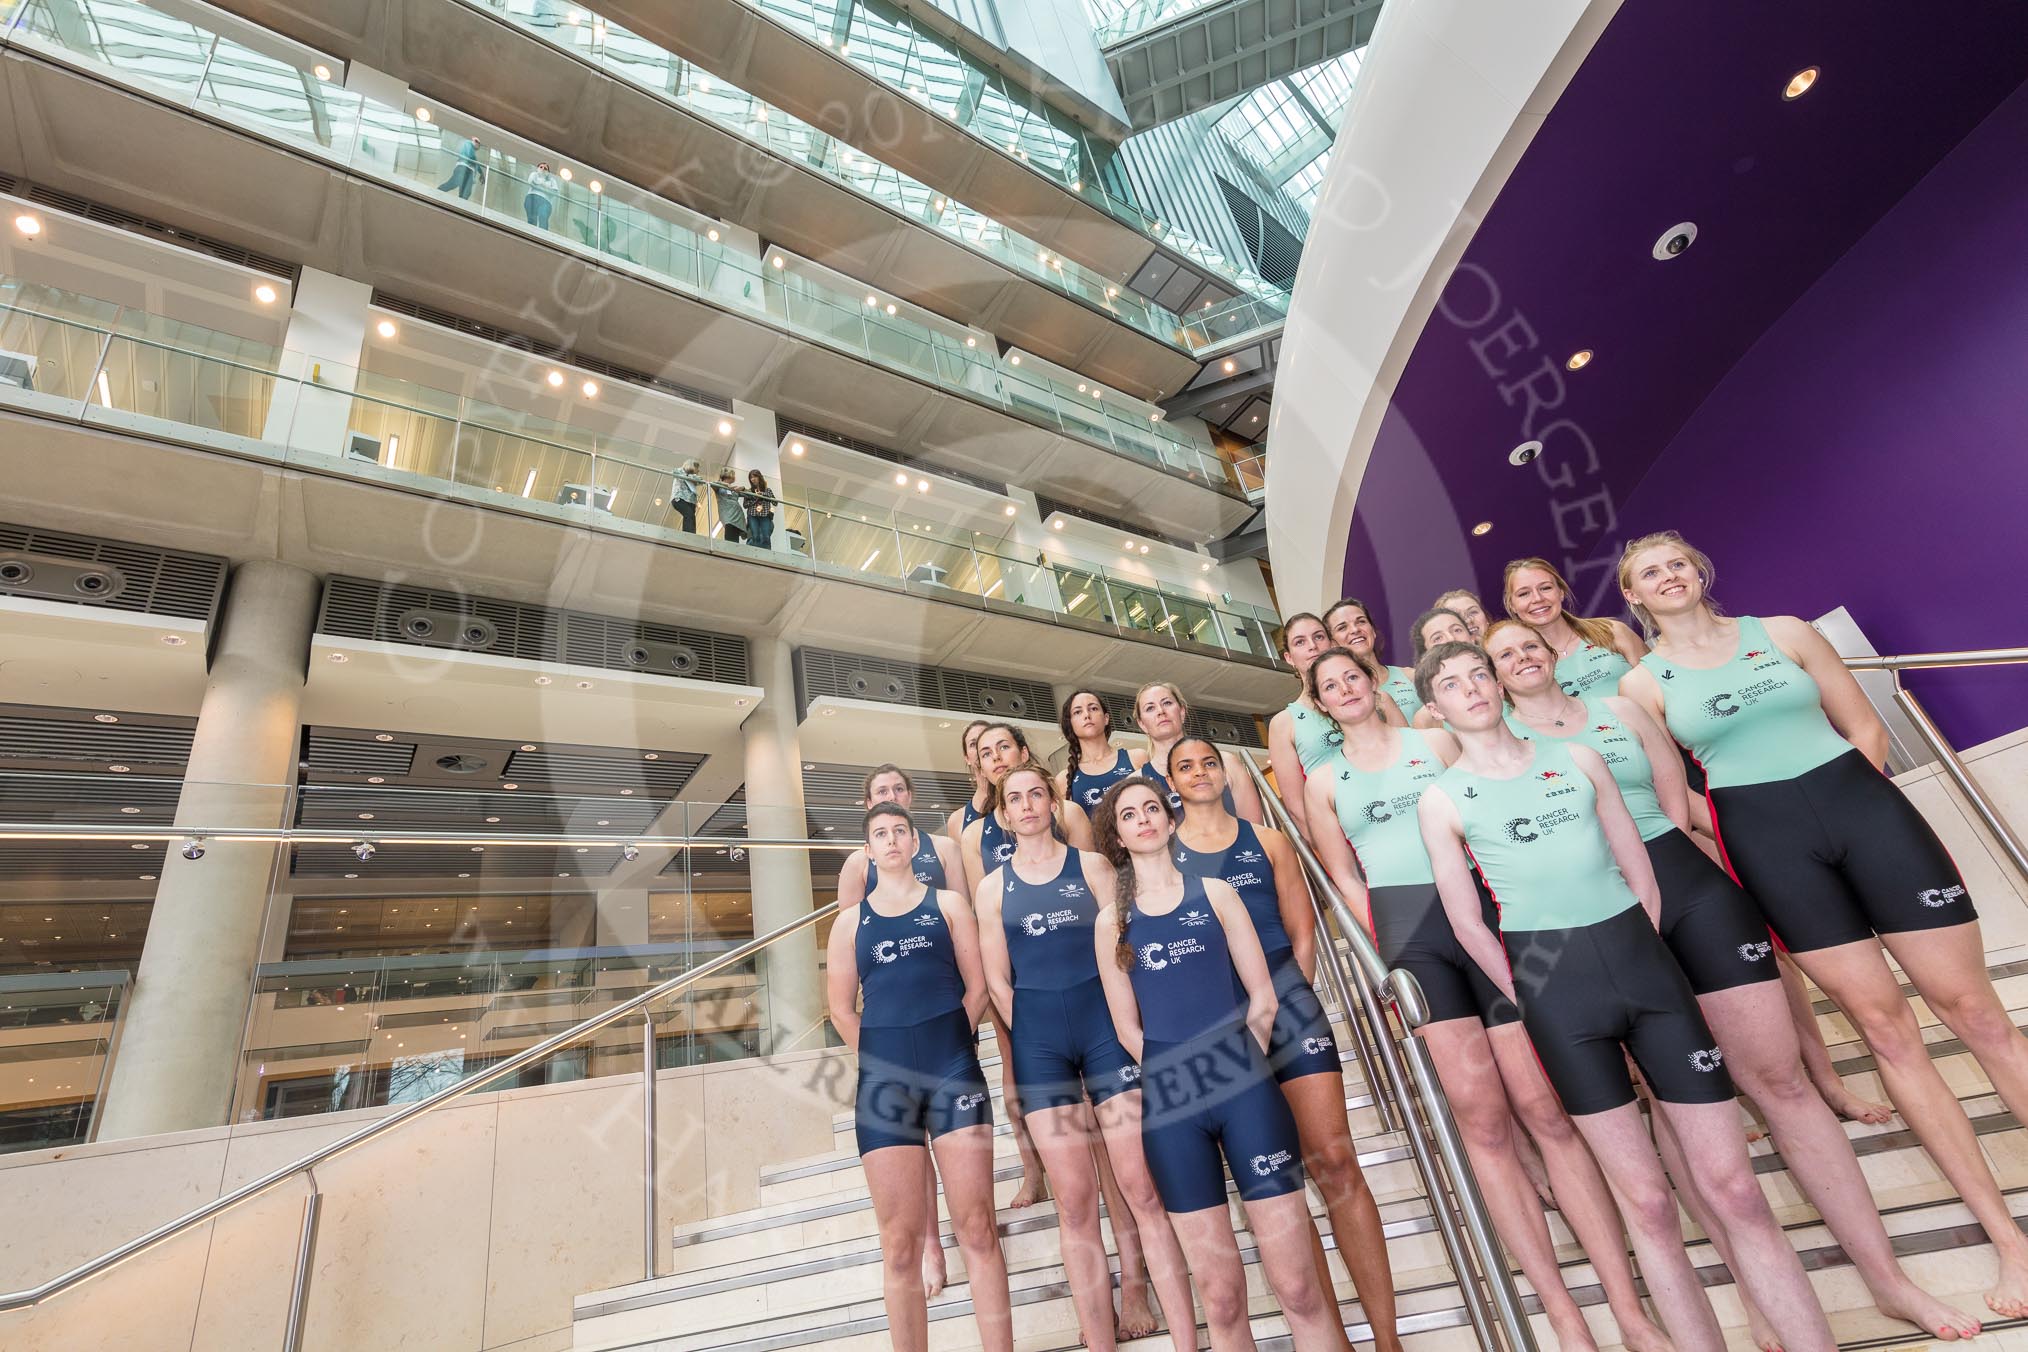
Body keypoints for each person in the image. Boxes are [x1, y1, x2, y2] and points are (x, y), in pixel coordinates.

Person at [1487, 617, 1978, 1344]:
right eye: (1503, 654)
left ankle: (1888, 1279)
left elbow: (1679, 801)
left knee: (1781, 1082)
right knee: (1671, 1105)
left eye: (1530, 642)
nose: (1523, 656)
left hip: (1688, 890)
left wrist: (1752, 867)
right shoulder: (1497, 750)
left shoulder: (1622, 705)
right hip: (1603, 923)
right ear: (1491, 677)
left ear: (1553, 651)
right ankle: (1757, 1288)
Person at [1620, 530, 2028, 1318]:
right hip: (1773, 849)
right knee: (1886, 1033)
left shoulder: (1784, 633)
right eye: (1648, 574)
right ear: (1632, 598)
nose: (1668, 577)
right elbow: (1669, 797)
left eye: (1677, 563)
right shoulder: (1643, 686)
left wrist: (1855, 803)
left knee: (1976, 1013)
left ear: (1699, 572)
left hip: (1864, 814)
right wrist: (1748, 827)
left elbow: (1863, 724)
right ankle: (2009, 1239)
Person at [1415, 641, 1835, 1352]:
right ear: (1437, 707)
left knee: (1733, 1188)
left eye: (1479, 674)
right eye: (1452, 684)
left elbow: (1638, 865)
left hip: (1645, 970)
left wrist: (1635, 941)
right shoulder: (1442, 798)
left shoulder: (1578, 759)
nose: (1473, 690)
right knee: (1647, 1204)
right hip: (1559, 1002)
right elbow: (1463, 919)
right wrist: (1529, 988)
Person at [1302, 646, 1668, 1352]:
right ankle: (1562, 1314)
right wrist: (1385, 963)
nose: (1345, 688)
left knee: (1544, 1110)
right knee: (1484, 1124)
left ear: (1375, 682)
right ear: (1318, 704)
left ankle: (1627, 1308)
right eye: (1330, 685)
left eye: (1354, 675)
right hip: (1412, 939)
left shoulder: (1434, 741)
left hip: (1483, 914)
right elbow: (1346, 881)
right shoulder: (1324, 782)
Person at [1090, 779, 1350, 1351]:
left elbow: (1263, 998)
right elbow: (1128, 1028)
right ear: (1118, 835)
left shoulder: (1217, 893)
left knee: (1300, 1288)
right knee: (1223, 1301)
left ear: (1169, 819)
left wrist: (1236, 1063)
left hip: (1247, 1093)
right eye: (1129, 814)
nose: (1144, 820)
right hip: (1173, 1104)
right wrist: (1181, 1072)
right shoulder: (1112, 922)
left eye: (1152, 808)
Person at [1169, 738, 1404, 1352]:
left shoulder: (1266, 840)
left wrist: (1281, 1005)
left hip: (1288, 1007)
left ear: (1224, 773)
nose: (1199, 773)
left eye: (1208, 763)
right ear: (1171, 782)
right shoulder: (1166, 856)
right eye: (1185, 766)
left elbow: (1303, 934)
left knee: (1334, 1160)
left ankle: (1388, 1340)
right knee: (1281, 1187)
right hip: (1221, 1027)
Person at [974, 764, 1195, 1350]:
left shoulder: (1093, 865)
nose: (1025, 806)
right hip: (1041, 1044)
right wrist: (1037, 1041)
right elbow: (998, 981)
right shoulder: (992, 887)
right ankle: (1099, 1340)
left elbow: (1123, 947)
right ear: (1002, 812)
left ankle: (1185, 1337)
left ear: (1053, 803)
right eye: (1013, 799)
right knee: (1073, 1200)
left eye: (1035, 795)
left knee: (1141, 1189)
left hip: (1104, 1036)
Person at [825, 804, 1011, 1352]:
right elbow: (840, 1010)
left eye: (899, 832)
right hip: (886, 1086)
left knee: (977, 1227)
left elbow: (977, 989)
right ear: (868, 851)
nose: (890, 841)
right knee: (900, 1246)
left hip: (952, 1069)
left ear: (913, 843)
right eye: (879, 834)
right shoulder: (848, 923)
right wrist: (884, 1062)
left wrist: (951, 1039)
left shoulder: (949, 905)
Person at [833, 765, 966, 1298]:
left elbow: (963, 920)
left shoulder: (943, 851)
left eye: (897, 792)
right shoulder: (855, 865)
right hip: (892, 1024)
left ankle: (964, 1229)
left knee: (948, 1130)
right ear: (868, 810)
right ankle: (931, 1242)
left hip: (945, 1013)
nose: (890, 799)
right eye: (880, 795)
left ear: (911, 802)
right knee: (910, 1145)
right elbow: (854, 943)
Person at [961, 721, 1092, 1207]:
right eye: (984, 751)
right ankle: (1034, 1170)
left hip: (1071, 961)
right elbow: (980, 908)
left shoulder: (1066, 810)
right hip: (1015, 966)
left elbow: (1087, 894)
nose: (995, 757)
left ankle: (1096, 1161)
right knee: (1019, 1072)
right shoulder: (971, 830)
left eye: (1004, 747)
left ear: (1022, 750)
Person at [1264, 611, 1369, 842]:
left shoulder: (1366, 698)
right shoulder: (1284, 723)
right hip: (1343, 837)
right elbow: (1298, 810)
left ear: (1331, 644)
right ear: (1289, 657)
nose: (1312, 646)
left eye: (1319, 637)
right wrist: (1334, 858)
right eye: (1300, 642)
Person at [1502, 557, 1646, 697]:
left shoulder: (1611, 631)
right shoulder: (1521, 665)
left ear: (1561, 592)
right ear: (1512, 605)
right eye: (1524, 594)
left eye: (1545, 588)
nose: (1538, 598)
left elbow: (1660, 681)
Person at [1131, 682, 1264, 824]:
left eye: (1167, 703)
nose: (1161, 711)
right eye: (1150, 708)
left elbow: (1255, 831)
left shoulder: (1227, 763)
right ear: (1142, 724)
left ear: (1182, 712)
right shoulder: (1136, 783)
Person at [1318, 596, 1414, 724]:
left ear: (1373, 630)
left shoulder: (1411, 677)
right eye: (1342, 627)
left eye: (1361, 621)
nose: (1355, 630)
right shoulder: (1340, 700)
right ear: (1332, 644)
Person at [1057, 688, 1148, 812]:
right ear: (1070, 724)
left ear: (1106, 718)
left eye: (1093, 708)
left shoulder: (1137, 758)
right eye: (1078, 712)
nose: (1087, 715)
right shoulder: (1064, 780)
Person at [1406, 608, 1475, 730]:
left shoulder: (1508, 678)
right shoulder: (1427, 718)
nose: (1451, 638)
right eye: (1437, 638)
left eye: (1457, 630)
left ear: (1472, 637)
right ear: (1424, 656)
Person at [943, 720, 993, 846]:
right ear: (967, 758)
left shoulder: (1024, 801)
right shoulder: (957, 820)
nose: (980, 747)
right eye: (973, 744)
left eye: (985, 739)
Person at [437, 134, 483, 200]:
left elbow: (475, 163)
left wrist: (481, 173)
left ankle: (461, 203)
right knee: (454, 183)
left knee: (466, 191)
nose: (477, 143)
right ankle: (437, 191)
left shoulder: (473, 153)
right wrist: (480, 170)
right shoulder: (468, 143)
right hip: (463, 167)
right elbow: (471, 157)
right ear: (472, 139)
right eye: (476, 141)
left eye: (479, 143)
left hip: (469, 171)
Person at [711, 468, 747, 544]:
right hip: (727, 513)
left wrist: (743, 488)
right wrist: (726, 485)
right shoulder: (719, 487)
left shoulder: (734, 489)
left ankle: (735, 551)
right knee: (729, 529)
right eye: (731, 476)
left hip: (737, 514)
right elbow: (712, 483)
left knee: (735, 535)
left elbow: (750, 494)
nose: (732, 478)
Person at [744, 469, 777, 549]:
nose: (753, 479)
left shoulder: (767, 490)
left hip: (765, 515)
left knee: (766, 536)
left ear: (759, 477)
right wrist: (756, 499)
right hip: (752, 515)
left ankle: (766, 553)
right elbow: (745, 505)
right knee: (755, 536)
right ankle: (753, 553)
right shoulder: (749, 491)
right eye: (751, 477)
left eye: (755, 476)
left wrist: (763, 495)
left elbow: (775, 502)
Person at [524, 161, 560, 229]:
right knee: (532, 218)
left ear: (548, 172)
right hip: (532, 198)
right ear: (537, 168)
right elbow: (531, 182)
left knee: (543, 217)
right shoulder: (534, 174)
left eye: (545, 168)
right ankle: (531, 233)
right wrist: (546, 188)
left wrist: (538, 184)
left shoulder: (552, 180)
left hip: (545, 201)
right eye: (541, 167)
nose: (543, 169)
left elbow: (554, 192)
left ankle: (543, 235)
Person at [670, 458, 701, 534]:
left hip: (691, 501)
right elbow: (674, 472)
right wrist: (688, 476)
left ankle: (691, 534)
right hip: (680, 498)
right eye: (697, 468)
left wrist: (691, 476)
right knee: (689, 514)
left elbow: (700, 481)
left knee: (691, 517)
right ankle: (688, 534)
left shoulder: (694, 477)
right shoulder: (680, 471)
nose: (698, 470)